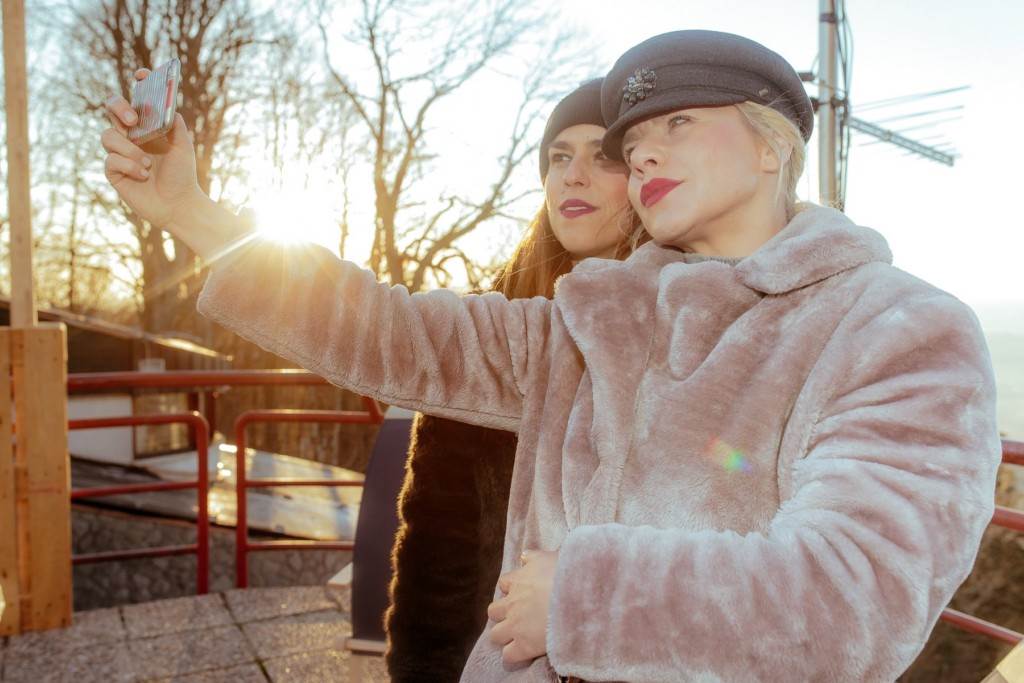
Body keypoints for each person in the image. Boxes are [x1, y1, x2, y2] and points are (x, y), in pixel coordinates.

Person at [100, 29, 1000, 682]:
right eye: (635, 141)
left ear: (771, 144)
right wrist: (196, 217)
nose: (644, 151)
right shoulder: (588, 317)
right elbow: (387, 328)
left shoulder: (899, 329)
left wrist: (584, 596)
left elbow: (853, 601)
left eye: (678, 123)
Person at [385, 78, 645, 682]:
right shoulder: (491, 325)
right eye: (559, 157)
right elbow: (435, 543)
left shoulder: (690, 329)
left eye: (602, 156)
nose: (572, 176)